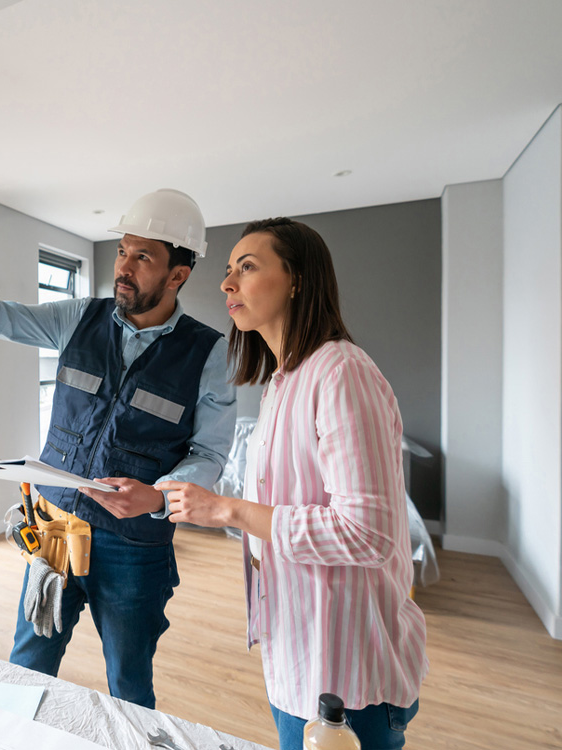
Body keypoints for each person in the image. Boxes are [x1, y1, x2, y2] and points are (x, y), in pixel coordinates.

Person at [0, 176, 237, 709]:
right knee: (27, 666)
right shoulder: (80, 318)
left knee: (129, 685)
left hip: (134, 546)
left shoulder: (210, 354)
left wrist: (161, 496)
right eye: (122, 251)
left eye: (142, 257)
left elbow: (209, 454)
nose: (123, 266)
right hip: (54, 527)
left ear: (178, 275)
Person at [157, 218, 427, 750]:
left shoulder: (341, 372)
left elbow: (368, 533)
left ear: (298, 279)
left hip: (350, 678)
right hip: (299, 653)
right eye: (229, 270)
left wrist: (228, 511)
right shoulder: (283, 380)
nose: (226, 283)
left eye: (248, 267)